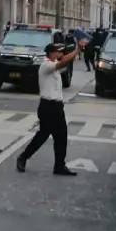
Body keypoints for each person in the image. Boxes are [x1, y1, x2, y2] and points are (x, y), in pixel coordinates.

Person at [16, 38, 87, 176]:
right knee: (43, 135)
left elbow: (64, 59)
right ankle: (23, 157)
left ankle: (59, 166)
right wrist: (77, 50)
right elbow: (63, 62)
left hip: (57, 107)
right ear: (51, 54)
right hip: (47, 106)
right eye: (56, 52)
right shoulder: (46, 66)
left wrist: (76, 50)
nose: (59, 54)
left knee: (61, 137)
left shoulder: (54, 65)